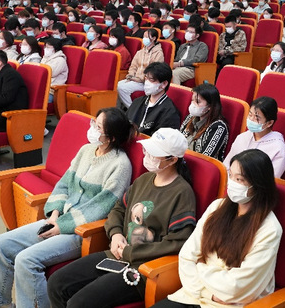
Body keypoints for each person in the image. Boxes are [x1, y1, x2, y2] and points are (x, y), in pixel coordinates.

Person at [0, 108, 133, 308]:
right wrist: (54, 215)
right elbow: (63, 184)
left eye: (98, 127)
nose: (92, 130)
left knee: (26, 260)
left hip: (81, 231)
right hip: (59, 219)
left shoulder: (120, 165)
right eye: (94, 123)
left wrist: (61, 226)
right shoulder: (86, 150)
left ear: (111, 137)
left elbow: (101, 207)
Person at [47, 127, 196, 308]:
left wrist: (130, 253)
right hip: (117, 254)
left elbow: (177, 242)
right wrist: (116, 234)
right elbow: (118, 210)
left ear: (172, 160)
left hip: (144, 268)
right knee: (56, 283)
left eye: (154, 153)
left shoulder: (182, 193)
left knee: (79, 303)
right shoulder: (144, 180)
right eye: (147, 150)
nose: (147, 156)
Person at [153, 149, 281, 307]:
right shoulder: (217, 207)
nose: (231, 183)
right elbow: (187, 256)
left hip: (227, 305)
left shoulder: (269, 229)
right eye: (230, 175)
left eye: (239, 179)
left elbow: (237, 287)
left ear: (258, 185)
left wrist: (200, 267)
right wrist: (206, 292)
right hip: (193, 294)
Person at [224, 96, 285, 178]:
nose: (251, 119)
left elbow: (270, 180)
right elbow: (226, 166)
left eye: (257, 118)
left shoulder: (278, 149)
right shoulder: (242, 137)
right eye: (250, 115)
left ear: (269, 123)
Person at [127, 62, 181, 135]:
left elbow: (162, 138)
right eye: (146, 78)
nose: (147, 83)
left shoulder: (170, 112)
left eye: (151, 80)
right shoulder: (137, 101)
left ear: (164, 84)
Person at [179, 83, 229, 160]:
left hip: (199, 165)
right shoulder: (190, 117)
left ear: (209, 106)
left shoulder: (218, 127)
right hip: (180, 160)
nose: (193, 104)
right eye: (192, 100)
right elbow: (178, 141)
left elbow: (204, 159)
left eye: (197, 102)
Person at [117, 28, 164, 109]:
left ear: (153, 38)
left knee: (122, 88)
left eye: (147, 37)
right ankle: (119, 109)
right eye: (144, 36)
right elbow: (133, 66)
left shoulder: (158, 53)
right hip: (135, 79)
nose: (144, 39)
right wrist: (130, 75)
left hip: (147, 81)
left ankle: (132, 110)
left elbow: (154, 71)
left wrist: (141, 79)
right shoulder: (140, 52)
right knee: (117, 85)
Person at [41, 38, 68, 103]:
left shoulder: (60, 60)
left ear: (55, 48)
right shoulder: (46, 57)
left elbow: (49, 73)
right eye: (45, 47)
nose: (45, 49)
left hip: (52, 90)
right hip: (42, 88)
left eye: (48, 47)